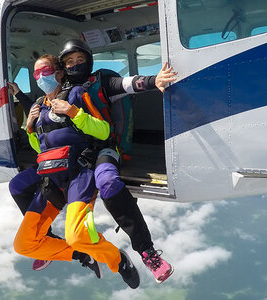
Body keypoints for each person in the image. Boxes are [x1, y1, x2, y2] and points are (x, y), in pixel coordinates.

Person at [9, 40, 176, 283]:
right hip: (51, 174)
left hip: (78, 168)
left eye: (45, 72)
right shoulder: (39, 106)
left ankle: (119, 259)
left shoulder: (78, 94)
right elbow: (39, 148)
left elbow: (106, 124)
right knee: (24, 244)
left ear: (58, 73)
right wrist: (31, 128)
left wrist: (72, 111)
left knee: (82, 227)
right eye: (36, 74)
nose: (40, 77)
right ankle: (81, 254)